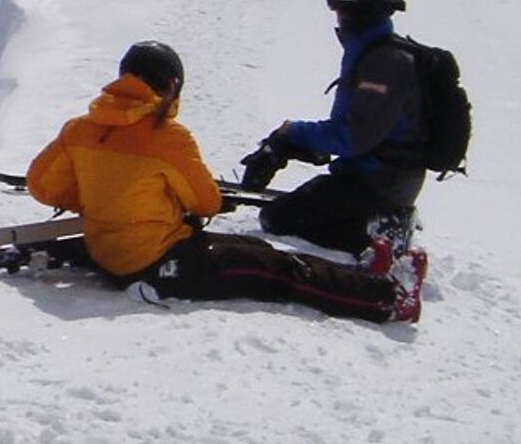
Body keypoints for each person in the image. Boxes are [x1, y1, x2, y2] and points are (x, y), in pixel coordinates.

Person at [27, 40, 422, 323]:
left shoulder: (80, 129)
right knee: (275, 269)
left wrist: (102, 197)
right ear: (170, 86)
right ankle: (387, 298)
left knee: (253, 251)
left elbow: (41, 184)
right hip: (157, 263)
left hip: (110, 252)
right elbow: (206, 203)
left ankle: (363, 279)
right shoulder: (167, 136)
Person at [240, 0, 428, 272]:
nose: (337, 18)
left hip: (379, 181)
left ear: (357, 12)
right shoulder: (372, 52)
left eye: (340, 10)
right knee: (294, 211)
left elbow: (353, 137)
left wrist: (290, 135)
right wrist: (291, 141)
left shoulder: (383, 63)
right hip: (380, 176)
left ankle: (380, 231)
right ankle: (375, 222)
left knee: (279, 219)